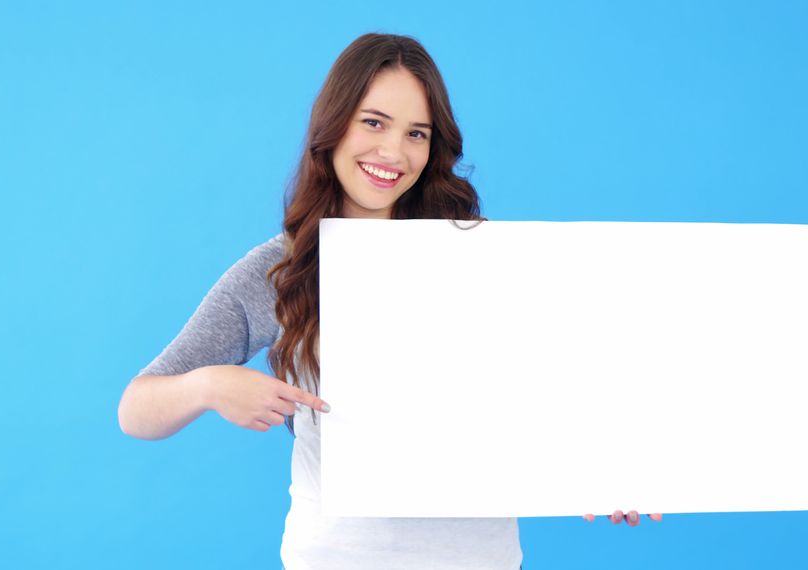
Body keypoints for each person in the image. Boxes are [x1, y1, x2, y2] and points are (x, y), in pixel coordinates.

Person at [117, 32, 660, 570]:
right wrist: (209, 385)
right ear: (333, 125)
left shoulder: (482, 255)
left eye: (416, 133)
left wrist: (605, 467)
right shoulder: (281, 269)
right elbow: (136, 410)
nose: (393, 152)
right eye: (373, 122)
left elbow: (552, 392)